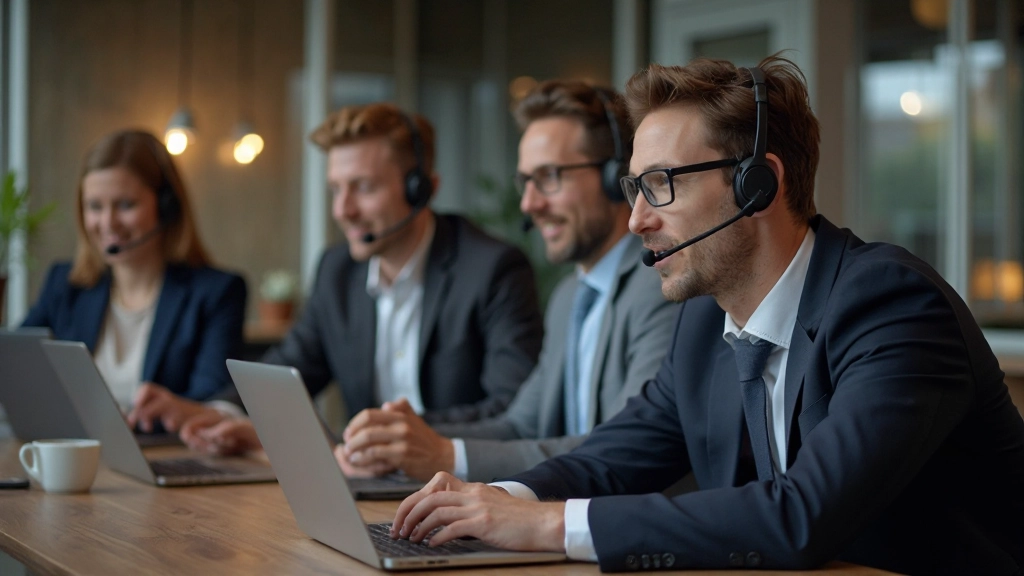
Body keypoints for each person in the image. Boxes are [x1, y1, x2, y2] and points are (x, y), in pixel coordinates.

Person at [389, 56, 1024, 575]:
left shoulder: (890, 304)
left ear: (759, 185)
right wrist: (497, 501)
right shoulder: (705, 324)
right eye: (634, 188)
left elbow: (800, 516)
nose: (637, 219)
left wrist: (547, 523)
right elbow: (613, 457)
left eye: (662, 183)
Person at [337, 82, 678, 482]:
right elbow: (520, 426)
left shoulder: (660, 287)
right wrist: (398, 441)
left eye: (549, 177)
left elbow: (621, 449)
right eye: (525, 182)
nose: (529, 204)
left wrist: (446, 455)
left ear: (615, 176)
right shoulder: (571, 296)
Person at [180, 103, 544, 455]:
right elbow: (290, 367)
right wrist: (217, 414)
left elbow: (511, 407)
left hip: (459, 485)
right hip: (368, 481)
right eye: (336, 189)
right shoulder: (337, 271)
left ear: (423, 189)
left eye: (364, 188)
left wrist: (391, 437)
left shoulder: (492, 269)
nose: (343, 210)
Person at [22, 129, 247, 433]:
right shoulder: (65, 284)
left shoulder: (217, 293)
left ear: (167, 208)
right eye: (95, 206)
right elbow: (17, 365)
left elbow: (212, 398)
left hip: (164, 458)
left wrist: (179, 409)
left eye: (125, 205)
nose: (107, 223)